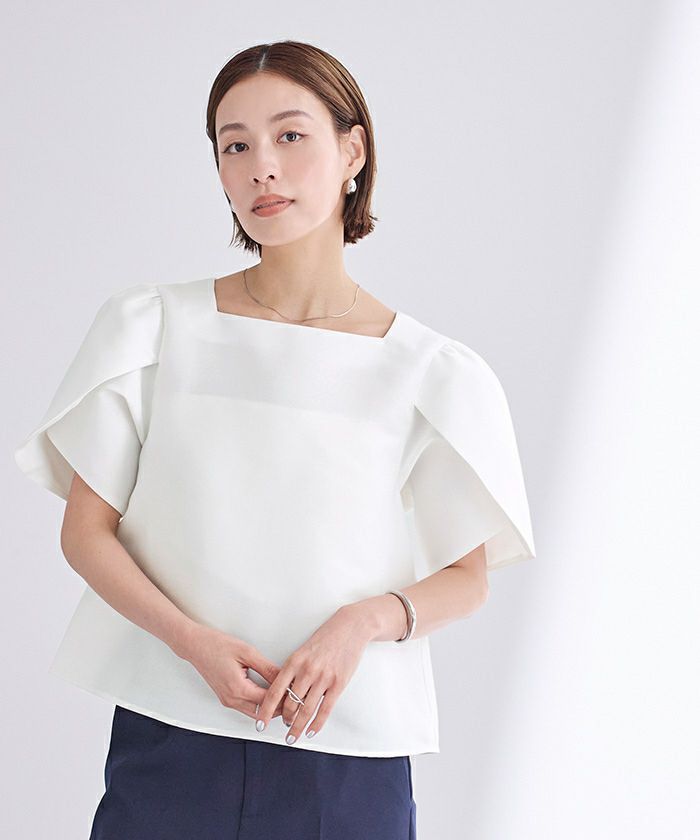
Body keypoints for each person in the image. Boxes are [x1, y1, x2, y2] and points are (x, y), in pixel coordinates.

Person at [13, 40, 536, 840]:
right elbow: (86, 534)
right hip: (171, 733)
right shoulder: (153, 328)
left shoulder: (431, 371)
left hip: (347, 751)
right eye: (236, 146)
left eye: (291, 136)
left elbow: (468, 578)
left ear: (353, 151)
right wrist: (191, 643)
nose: (262, 166)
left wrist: (362, 623)